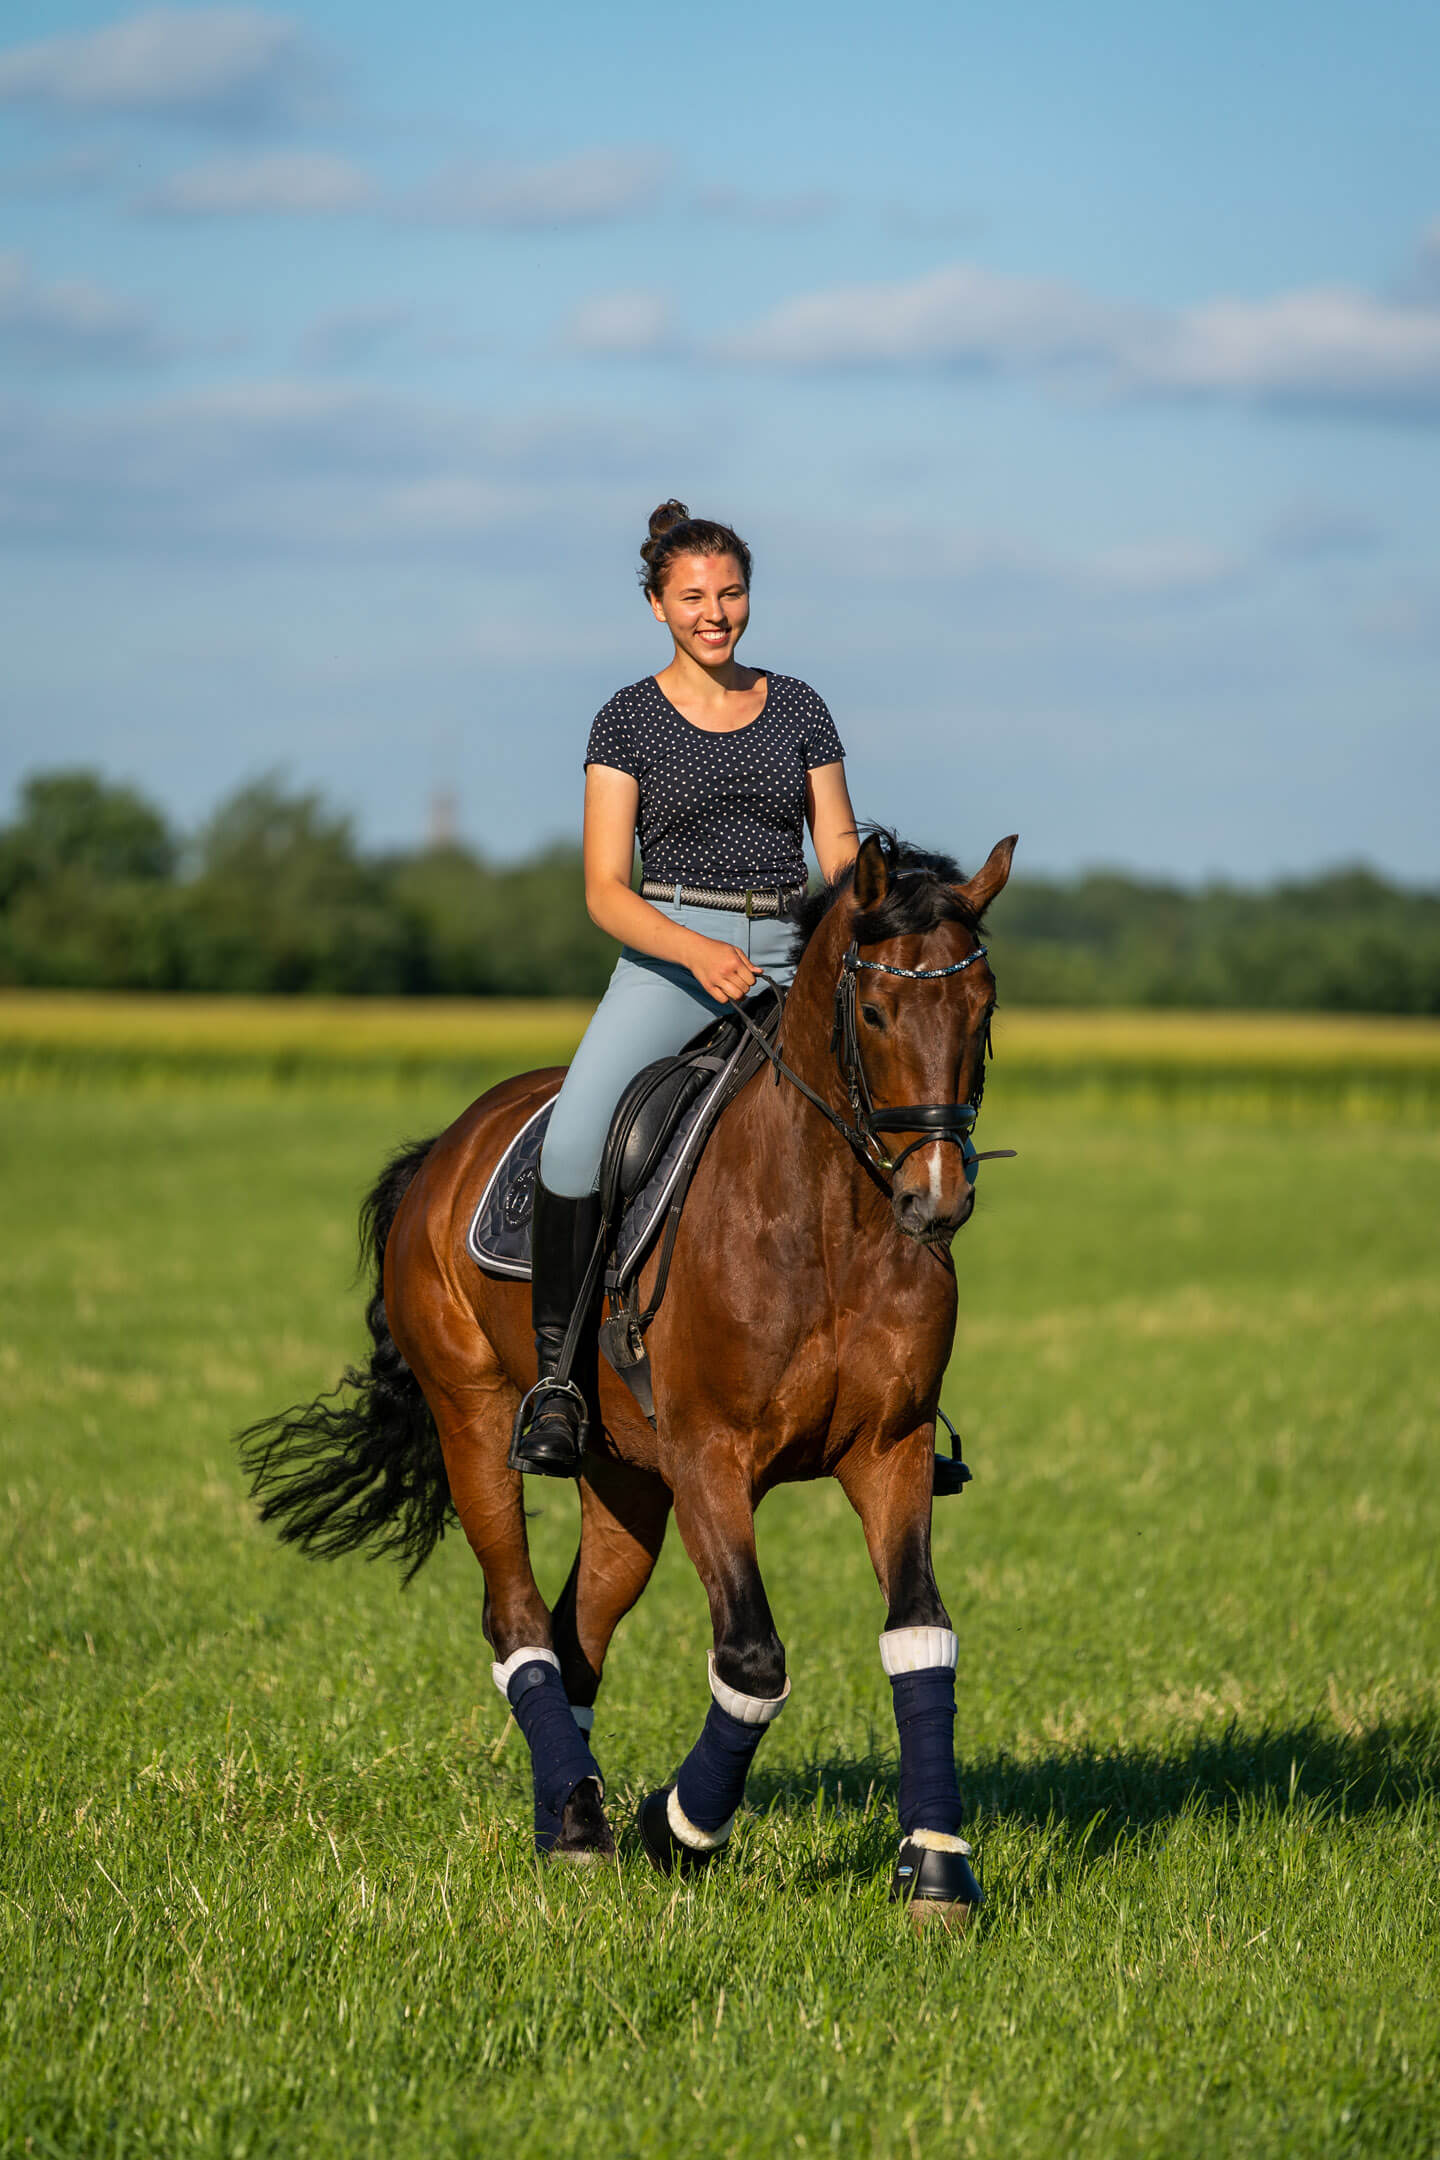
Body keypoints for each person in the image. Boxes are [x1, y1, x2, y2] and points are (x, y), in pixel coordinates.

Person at [512, 499, 860, 1476]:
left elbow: (834, 841)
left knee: (880, 1119)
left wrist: (853, 906)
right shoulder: (626, 719)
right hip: (670, 948)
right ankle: (555, 1389)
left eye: (733, 592)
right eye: (694, 597)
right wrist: (697, 952)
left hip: (793, 945)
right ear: (658, 607)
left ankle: (895, 1380)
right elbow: (603, 892)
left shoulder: (799, 707)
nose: (718, 612)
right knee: (578, 1135)